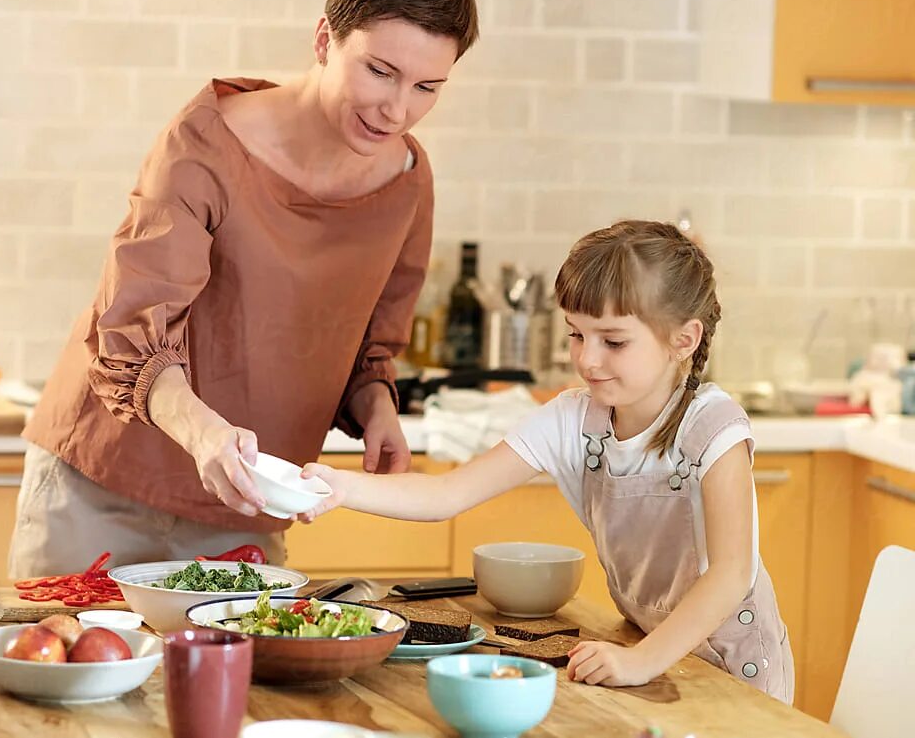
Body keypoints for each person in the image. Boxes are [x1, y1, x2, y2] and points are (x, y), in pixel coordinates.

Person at [9, 0, 479, 578]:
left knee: (251, 680)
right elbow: (134, 329)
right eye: (379, 71)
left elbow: (369, 346)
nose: (398, 109)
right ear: (324, 40)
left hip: (247, 501)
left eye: (427, 86)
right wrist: (205, 435)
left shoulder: (407, 182)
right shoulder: (206, 143)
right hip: (104, 482)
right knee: (66, 664)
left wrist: (378, 410)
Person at [298, 220, 795, 703]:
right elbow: (446, 494)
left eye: (613, 341)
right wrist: (342, 487)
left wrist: (642, 660)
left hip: (732, 667)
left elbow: (731, 574)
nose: (586, 360)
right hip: (648, 653)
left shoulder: (715, 427)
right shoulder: (576, 419)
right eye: (576, 335)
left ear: (682, 340)